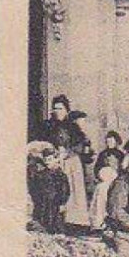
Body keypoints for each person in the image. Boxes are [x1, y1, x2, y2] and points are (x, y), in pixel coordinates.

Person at [37, 95, 92, 231]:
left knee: (74, 191)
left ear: (66, 110)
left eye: (60, 108)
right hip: (54, 162)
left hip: (71, 162)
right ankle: (56, 222)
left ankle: (75, 222)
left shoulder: (72, 127)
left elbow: (81, 144)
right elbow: (41, 144)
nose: (57, 111)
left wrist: (68, 152)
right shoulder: (47, 125)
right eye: (55, 108)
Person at [26, 142, 70, 233]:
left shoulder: (61, 175)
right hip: (44, 202)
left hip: (55, 203)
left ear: (56, 160)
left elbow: (65, 190)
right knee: (43, 219)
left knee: (56, 221)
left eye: (50, 159)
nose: (47, 162)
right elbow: (36, 187)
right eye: (45, 160)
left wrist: (62, 202)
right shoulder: (42, 174)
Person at [90, 132, 125, 231]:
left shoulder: (120, 155)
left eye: (111, 141)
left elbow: (123, 169)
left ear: (116, 142)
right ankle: (98, 223)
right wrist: (99, 175)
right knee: (100, 196)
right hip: (104, 181)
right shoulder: (103, 154)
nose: (109, 143)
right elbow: (97, 168)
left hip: (115, 182)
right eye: (107, 141)